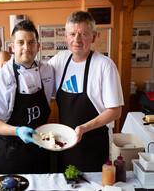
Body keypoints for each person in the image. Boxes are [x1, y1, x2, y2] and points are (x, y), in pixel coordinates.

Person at [48, 11, 124, 172]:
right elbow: (33, 70)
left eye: (83, 34)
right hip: (66, 143)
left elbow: (115, 111)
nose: (77, 39)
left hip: (94, 145)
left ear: (94, 37)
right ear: (66, 36)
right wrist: (6, 59)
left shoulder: (105, 66)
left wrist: (83, 128)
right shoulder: (60, 60)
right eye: (72, 34)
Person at [0, 20, 54, 174]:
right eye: (20, 42)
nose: (26, 47)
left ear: (38, 46)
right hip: (11, 152)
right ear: (12, 47)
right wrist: (18, 131)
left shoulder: (47, 70)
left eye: (31, 42)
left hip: (41, 147)